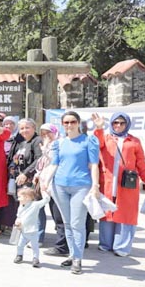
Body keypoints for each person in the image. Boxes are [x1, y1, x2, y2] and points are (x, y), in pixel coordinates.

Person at [41, 110, 100, 275]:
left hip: (81, 185)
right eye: (66, 122)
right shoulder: (59, 143)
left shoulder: (89, 140)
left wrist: (95, 185)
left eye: (72, 122)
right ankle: (73, 254)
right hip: (59, 185)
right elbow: (54, 164)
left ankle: (78, 259)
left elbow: (94, 165)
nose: (69, 125)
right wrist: (46, 181)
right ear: (62, 124)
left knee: (77, 224)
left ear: (78, 123)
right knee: (67, 223)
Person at [91, 112, 145, 257]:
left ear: (127, 124)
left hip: (127, 184)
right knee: (107, 213)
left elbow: (141, 162)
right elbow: (95, 145)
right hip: (107, 182)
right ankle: (105, 244)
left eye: (122, 123)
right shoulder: (105, 137)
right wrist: (98, 128)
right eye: (115, 122)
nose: (118, 125)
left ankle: (121, 247)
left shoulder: (134, 141)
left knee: (126, 214)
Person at [13, 186, 51, 268]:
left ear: (27, 197)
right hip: (23, 231)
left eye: (20, 197)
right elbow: (18, 215)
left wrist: (44, 191)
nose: (18, 199)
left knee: (35, 246)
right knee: (20, 245)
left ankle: (35, 258)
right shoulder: (21, 206)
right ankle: (19, 255)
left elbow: (46, 200)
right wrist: (17, 220)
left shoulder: (35, 205)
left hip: (33, 231)